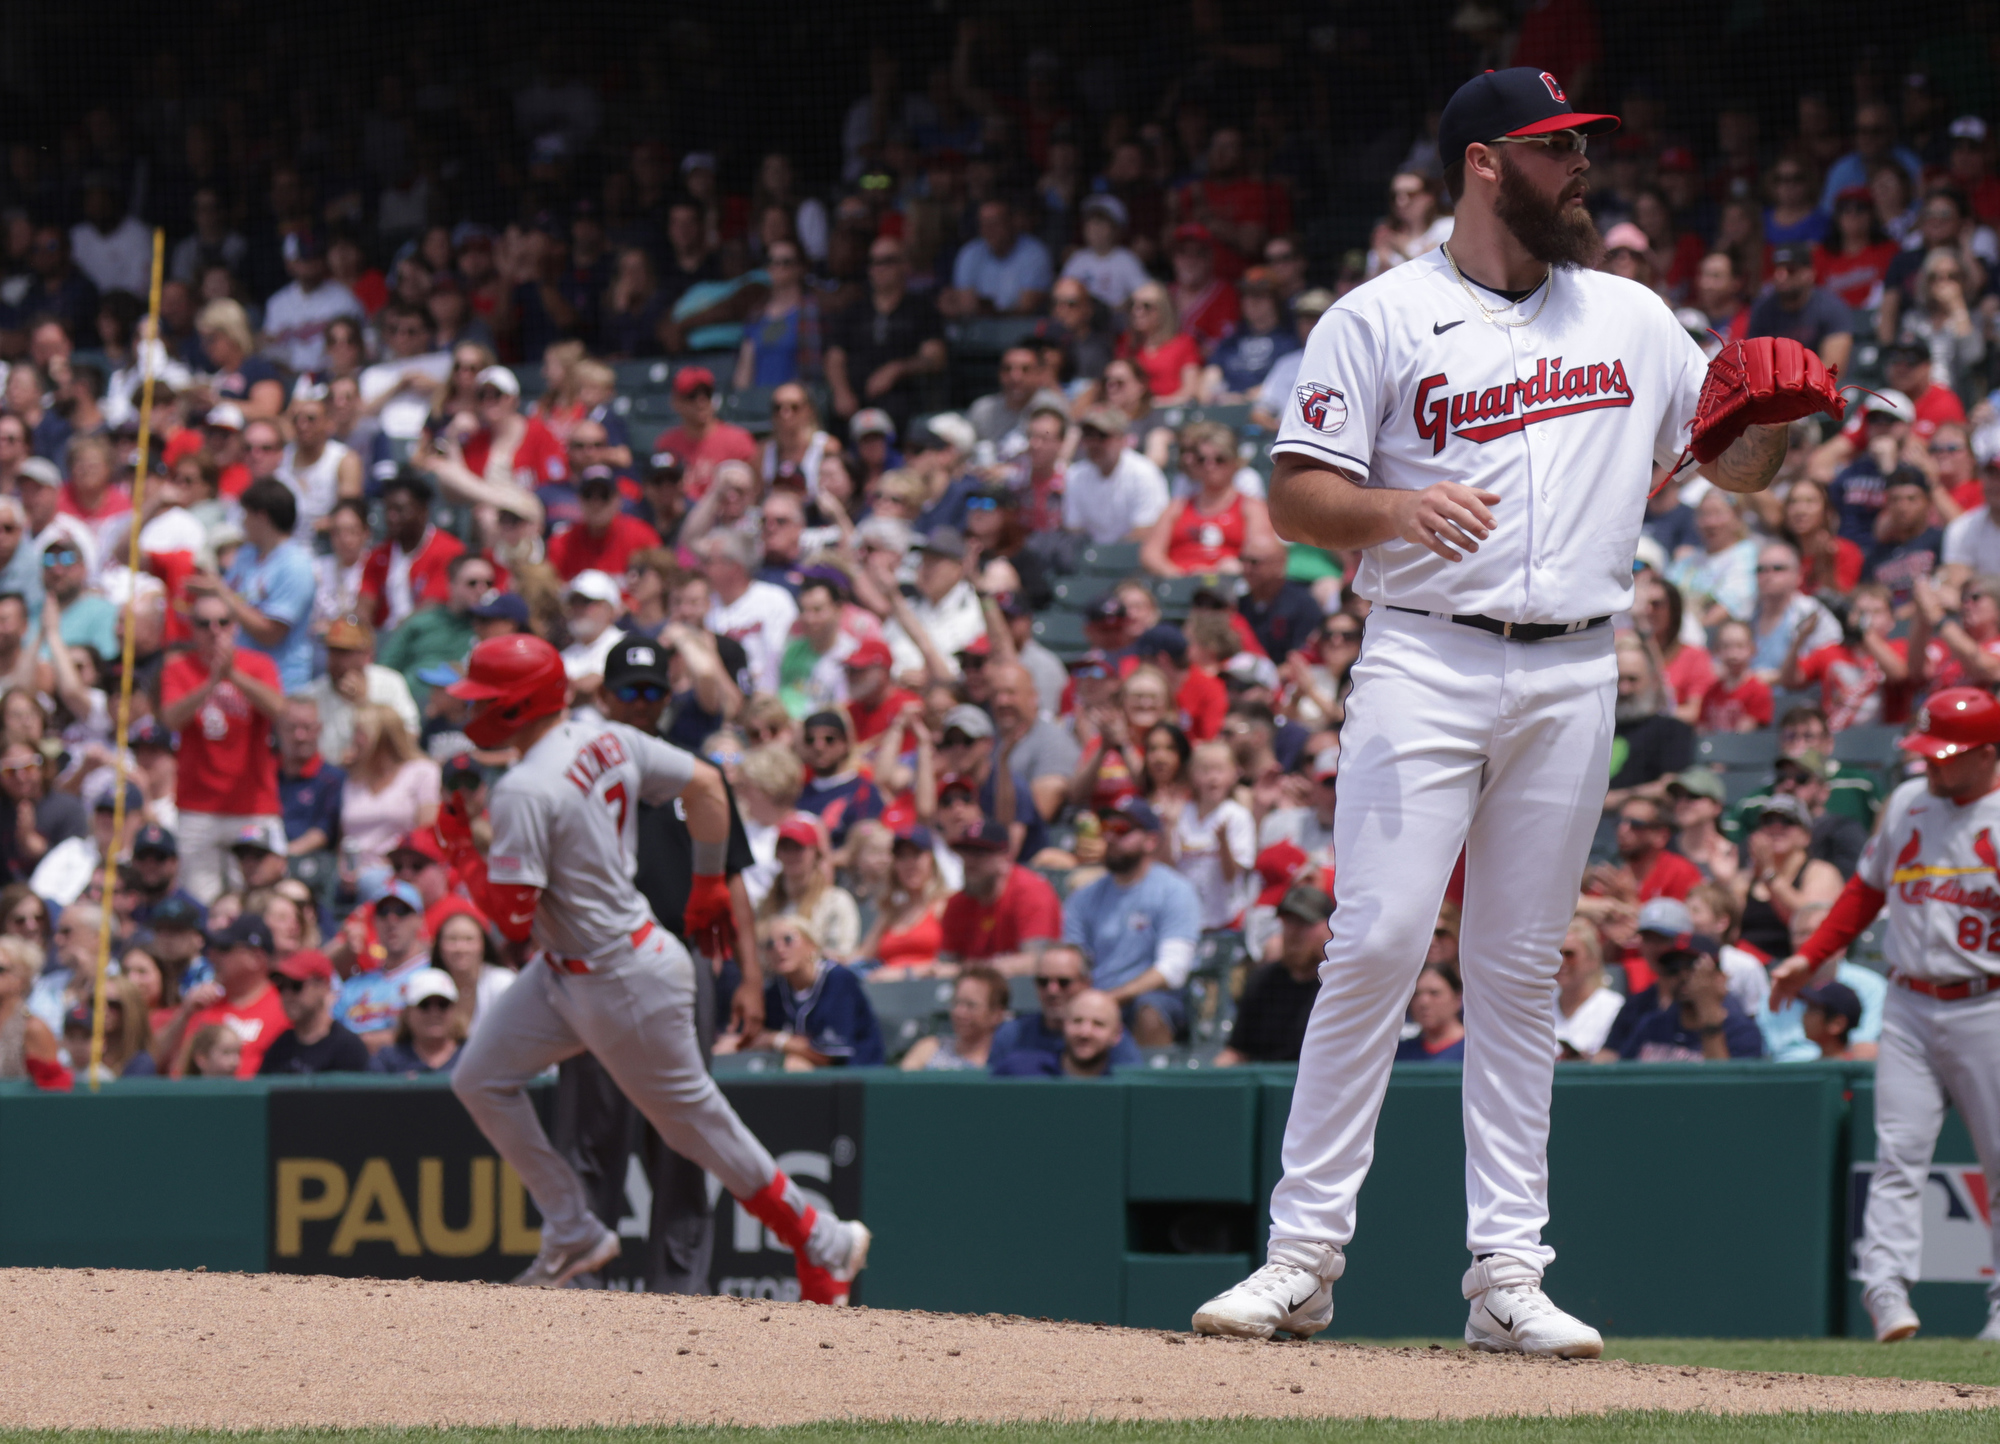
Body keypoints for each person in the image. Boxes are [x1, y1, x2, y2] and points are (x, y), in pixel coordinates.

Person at [1195, 70, 1791, 1356]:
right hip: (1424, 655)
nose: (1578, 166)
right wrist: (1395, 510)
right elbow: (1295, 495)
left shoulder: (1630, 315)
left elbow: (1730, 464)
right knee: (1374, 941)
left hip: (1576, 665)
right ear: (1482, 163)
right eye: (1553, 147)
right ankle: (1300, 1260)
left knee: (1518, 968)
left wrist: (1778, 425)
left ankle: (1504, 1276)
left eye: (1582, 146)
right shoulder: (1380, 315)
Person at [441, 635, 871, 1298]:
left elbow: (511, 924)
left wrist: (461, 856)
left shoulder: (523, 789)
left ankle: (823, 1238)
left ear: (518, 706)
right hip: (575, 966)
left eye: (485, 700)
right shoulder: (605, 737)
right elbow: (706, 782)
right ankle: (572, 1227)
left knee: (692, 1122)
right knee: (479, 1079)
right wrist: (705, 882)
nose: (469, 710)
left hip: (621, 976)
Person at [1770, 688, 2000, 1344]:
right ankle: (1886, 1292)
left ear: (1987, 755)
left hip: (1987, 1000)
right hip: (1908, 1002)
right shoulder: (1907, 803)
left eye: (1946, 754)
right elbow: (1866, 891)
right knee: (1898, 1153)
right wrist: (1811, 956)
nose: (1930, 764)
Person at [160, 592, 286, 903]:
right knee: (200, 902)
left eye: (223, 622)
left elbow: (279, 709)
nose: (214, 630)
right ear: (192, 629)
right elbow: (171, 718)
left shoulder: (259, 665)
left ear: (235, 626)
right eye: (204, 624)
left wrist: (233, 676)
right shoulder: (178, 669)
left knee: (261, 900)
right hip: (197, 807)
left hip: (253, 805)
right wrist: (211, 683)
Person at [1062, 796, 1201, 1046]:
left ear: (1151, 841)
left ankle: (1149, 1082)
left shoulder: (1175, 891)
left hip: (1152, 998)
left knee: (1149, 1010)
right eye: (1106, 829)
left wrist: (1111, 999)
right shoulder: (1084, 896)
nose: (1110, 838)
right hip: (1093, 997)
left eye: (1121, 830)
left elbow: (1172, 970)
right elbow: (1072, 957)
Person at [732, 913, 884, 1068]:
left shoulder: (838, 980)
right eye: (770, 944)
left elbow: (828, 1054)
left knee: (794, 1064)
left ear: (811, 945)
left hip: (858, 1074)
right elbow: (754, 1036)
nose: (778, 948)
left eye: (788, 940)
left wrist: (777, 1040)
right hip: (815, 1078)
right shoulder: (776, 990)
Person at [155, 913, 291, 1077]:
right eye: (212, 949)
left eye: (224, 949)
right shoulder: (202, 1004)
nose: (212, 956)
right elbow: (153, 1061)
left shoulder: (285, 1009)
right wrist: (184, 1014)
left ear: (256, 958)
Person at [1215, 883, 1331, 1066]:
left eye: (1304, 923)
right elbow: (1238, 1052)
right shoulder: (1264, 981)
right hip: (1272, 1087)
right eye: (1288, 922)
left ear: (1329, 927)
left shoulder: (1337, 984)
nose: (1294, 932)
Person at [937, 818, 1060, 973]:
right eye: (965, 852)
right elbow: (945, 965)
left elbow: (1038, 961)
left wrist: (972, 970)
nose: (969, 861)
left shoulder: (1031, 891)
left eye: (979, 852)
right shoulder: (957, 903)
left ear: (1004, 857)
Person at [1618, 937, 1764, 1061]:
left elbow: (1725, 1090)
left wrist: (1710, 1020)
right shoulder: (1652, 1025)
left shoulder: (1741, 1031)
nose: (1682, 976)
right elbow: (1622, 1080)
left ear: (1720, 977)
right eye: (1673, 969)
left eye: (1693, 966)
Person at [1061, 408, 1170, 547]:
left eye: (1102, 436)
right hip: (1090, 558)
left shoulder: (1144, 473)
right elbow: (1074, 529)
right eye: (1088, 436)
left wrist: (1106, 555)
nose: (1094, 443)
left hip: (1132, 560)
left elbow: (1145, 532)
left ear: (1122, 439)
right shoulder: (1075, 475)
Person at [257, 948, 369, 1074]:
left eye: (296, 985)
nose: (287, 994)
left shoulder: (348, 1049)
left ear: (323, 987)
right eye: (281, 986)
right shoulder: (279, 1048)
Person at [989, 986, 1123, 1077]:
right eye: (1077, 1021)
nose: (1085, 1032)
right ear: (1064, 1026)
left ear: (1116, 1034)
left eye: (1098, 1024)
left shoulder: (1126, 1087)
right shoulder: (1017, 1070)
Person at [900, 966, 1008, 1072]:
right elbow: (901, 1084)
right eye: (956, 1003)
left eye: (971, 1005)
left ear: (996, 1015)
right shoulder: (930, 1049)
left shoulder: (1002, 1065)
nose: (959, 1012)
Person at [370, 968, 466, 1075]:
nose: (434, 1012)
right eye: (424, 1004)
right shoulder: (387, 1061)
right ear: (408, 1013)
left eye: (443, 1004)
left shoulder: (471, 1057)